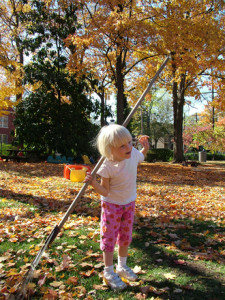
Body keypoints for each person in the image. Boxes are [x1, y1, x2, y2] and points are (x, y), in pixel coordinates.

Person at [84, 124, 149, 291]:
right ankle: (108, 271)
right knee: (110, 237)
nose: (128, 147)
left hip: (129, 203)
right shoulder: (106, 165)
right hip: (112, 205)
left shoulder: (133, 153)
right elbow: (104, 190)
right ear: (110, 149)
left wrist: (145, 148)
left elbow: (140, 156)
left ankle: (122, 266)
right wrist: (93, 183)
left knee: (125, 236)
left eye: (129, 142)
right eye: (122, 145)